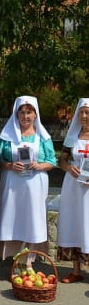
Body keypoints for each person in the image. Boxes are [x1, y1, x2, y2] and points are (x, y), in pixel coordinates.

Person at [0, 96, 56, 267]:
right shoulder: (6, 136)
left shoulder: (43, 137)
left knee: (33, 220)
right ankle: (15, 259)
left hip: (35, 184)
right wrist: (10, 165)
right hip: (13, 184)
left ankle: (29, 260)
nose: (25, 116)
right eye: (22, 112)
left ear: (35, 115)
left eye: (29, 112)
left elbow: (52, 161)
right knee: (13, 218)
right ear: (16, 114)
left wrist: (40, 165)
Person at [57, 97, 89, 283]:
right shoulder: (72, 138)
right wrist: (69, 168)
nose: (84, 116)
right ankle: (76, 270)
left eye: (88, 113)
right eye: (82, 113)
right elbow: (61, 161)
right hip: (73, 186)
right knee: (75, 223)